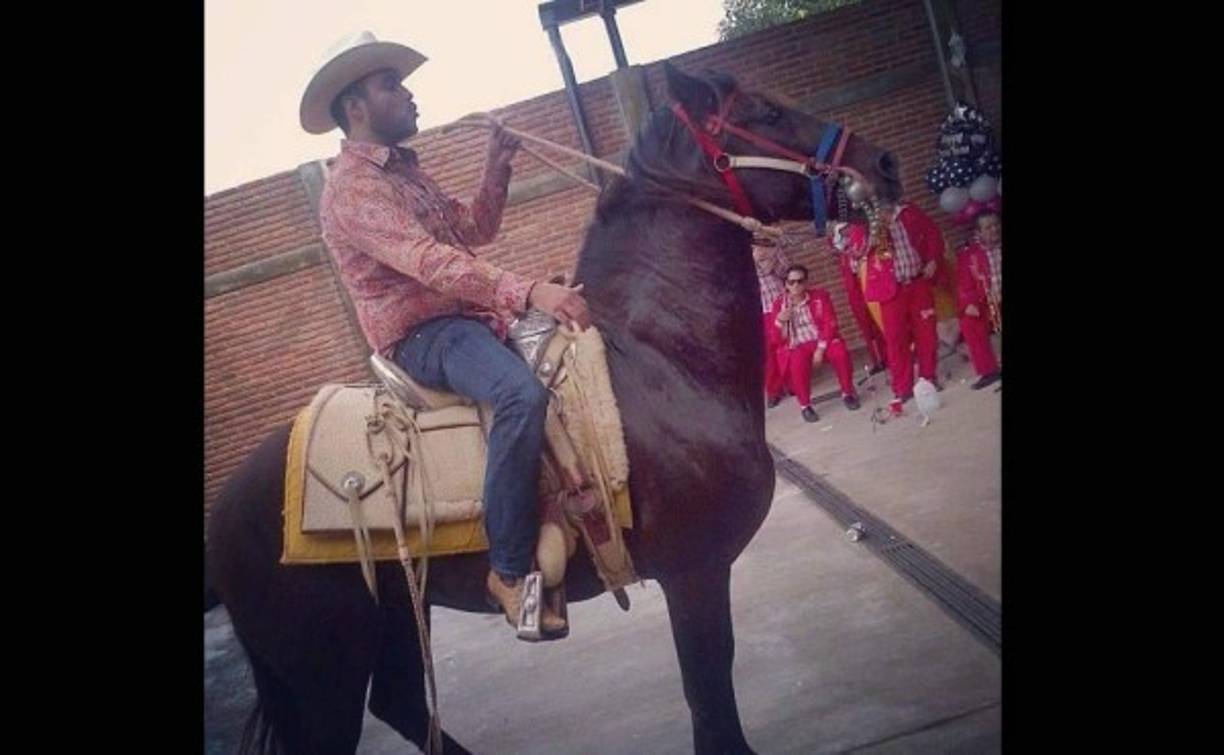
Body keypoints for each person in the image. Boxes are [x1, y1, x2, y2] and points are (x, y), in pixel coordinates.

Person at [303, 32, 588, 636]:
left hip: (466, 322)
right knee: (520, 394)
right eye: (391, 86)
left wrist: (497, 164)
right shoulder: (352, 190)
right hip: (424, 335)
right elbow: (432, 261)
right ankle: (509, 572)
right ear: (355, 107)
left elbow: (473, 229)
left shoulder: (406, 171)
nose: (408, 96)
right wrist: (532, 291)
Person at [861, 200, 948, 405]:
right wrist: (871, 236)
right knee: (895, 340)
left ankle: (928, 378)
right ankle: (903, 387)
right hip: (891, 291)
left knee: (926, 334)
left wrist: (933, 259)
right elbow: (855, 251)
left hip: (918, 283)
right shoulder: (866, 219)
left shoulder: (910, 211)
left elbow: (933, 234)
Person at [770, 264, 861, 423]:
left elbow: (830, 323)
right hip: (798, 344)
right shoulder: (779, 305)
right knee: (796, 362)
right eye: (791, 282)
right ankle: (805, 405)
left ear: (806, 282)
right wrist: (779, 321)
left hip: (821, 340)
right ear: (785, 284)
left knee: (839, 351)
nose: (796, 286)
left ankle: (847, 393)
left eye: (800, 281)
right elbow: (776, 341)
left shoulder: (820, 296)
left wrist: (820, 349)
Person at [828, 221, 888, 376]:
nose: (845, 232)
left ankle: (890, 355)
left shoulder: (862, 230)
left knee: (881, 319)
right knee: (865, 324)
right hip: (854, 285)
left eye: (846, 228)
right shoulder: (837, 241)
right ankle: (877, 359)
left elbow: (862, 251)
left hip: (870, 279)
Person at [956, 210, 1002, 389]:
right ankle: (989, 371)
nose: (994, 229)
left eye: (996, 224)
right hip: (987, 301)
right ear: (978, 233)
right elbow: (964, 284)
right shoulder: (969, 255)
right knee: (968, 321)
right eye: (988, 227)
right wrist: (969, 303)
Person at [753, 237, 791, 408]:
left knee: (786, 343)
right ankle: (773, 391)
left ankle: (793, 384)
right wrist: (755, 259)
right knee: (766, 352)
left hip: (779, 302)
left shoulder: (772, 245)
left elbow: (787, 272)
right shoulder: (737, 251)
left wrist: (770, 259)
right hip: (758, 307)